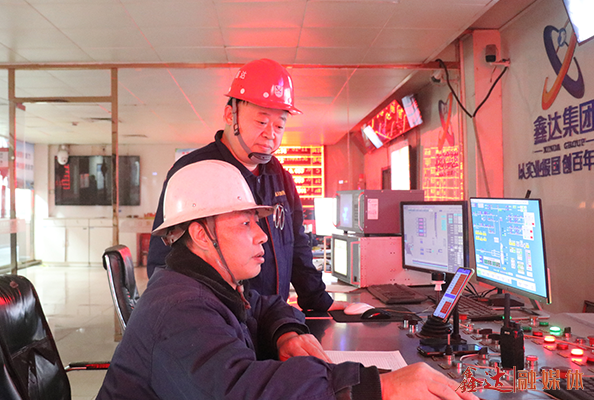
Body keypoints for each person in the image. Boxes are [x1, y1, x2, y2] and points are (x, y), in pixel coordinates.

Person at [97, 160, 478, 400]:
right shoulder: (181, 309)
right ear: (201, 234)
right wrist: (378, 386)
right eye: (245, 223)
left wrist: (286, 331)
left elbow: (263, 306)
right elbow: (240, 390)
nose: (262, 235)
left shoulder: (206, 284)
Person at [147, 58, 343, 312]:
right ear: (231, 115)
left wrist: (320, 302)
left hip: (274, 320)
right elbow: (165, 262)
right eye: (261, 122)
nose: (271, 134)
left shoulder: (278, 175)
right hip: (220, 321)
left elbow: (297, 246)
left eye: (280, 125)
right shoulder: (195, 171)